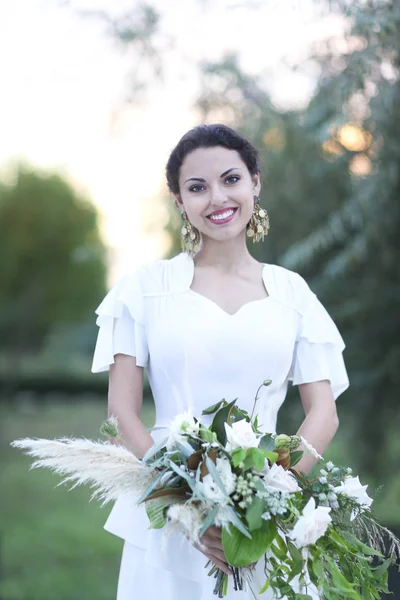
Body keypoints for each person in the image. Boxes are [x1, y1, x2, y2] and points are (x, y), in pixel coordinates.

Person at [91, 123, 349, 599]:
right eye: (197, 187)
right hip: (167, 515)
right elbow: (121, 412)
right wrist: (187, 506)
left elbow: (324, 411)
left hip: (266, 516)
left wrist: (267, 501)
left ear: (255, 182)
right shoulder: (145, 288)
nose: (217, 198)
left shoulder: (293, 292)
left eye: (230, 179)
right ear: (179, 201)